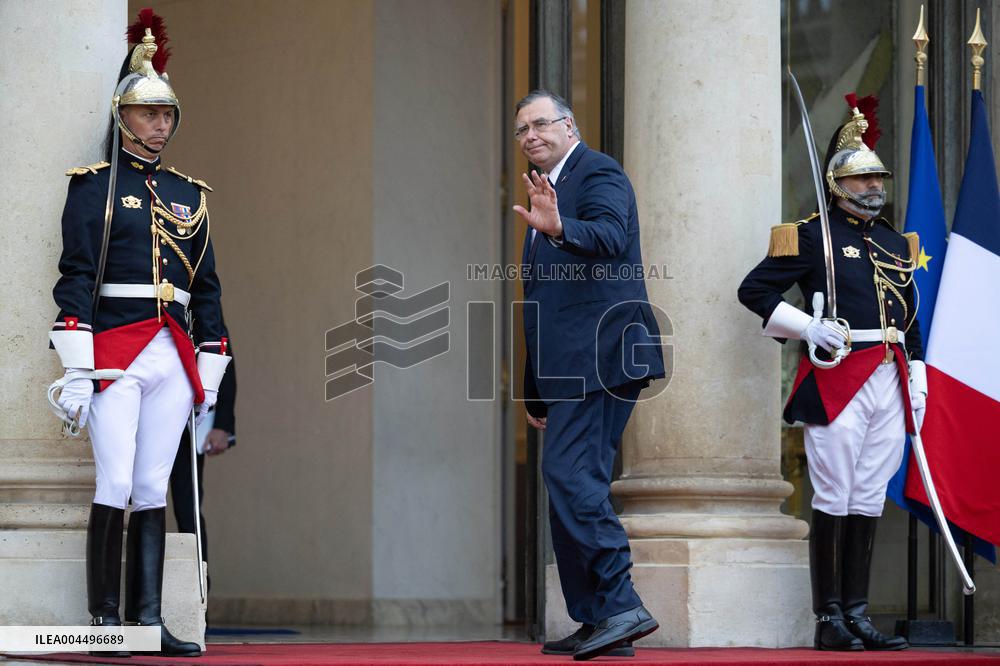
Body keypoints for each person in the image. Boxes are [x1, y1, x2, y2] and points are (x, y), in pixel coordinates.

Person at [50, 9, 230, 657]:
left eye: (166, 115)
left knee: (155, 487)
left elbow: (206, 293)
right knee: (116, 484)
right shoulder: (93, 190)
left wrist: (209, 378)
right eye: (149, 113)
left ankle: (148, 619)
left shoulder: (190, 193)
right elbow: (74, 279)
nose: (160, 124)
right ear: (123, 116)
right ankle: (104, 618)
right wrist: (75, 365)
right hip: (115, 352)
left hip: (173, 357)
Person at [737, 94, 918, 651]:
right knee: (835, 490)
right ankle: (828, 619)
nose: (872, 187)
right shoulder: (811, 234)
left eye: (877, 178)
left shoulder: (893, 240)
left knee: (868, 493)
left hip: (892, 374)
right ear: (837, 184)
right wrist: (807, 328)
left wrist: (922, 376)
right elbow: (754, 290)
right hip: (838, 372)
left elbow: (910, 314)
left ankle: (858, 613)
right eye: (861, 180)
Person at [513, 90, 665, 660]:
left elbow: (607, 236)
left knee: (569, 473)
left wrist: (558, 228)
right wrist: (535, 383)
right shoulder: (544, 192)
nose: (530, 135)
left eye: (540, 123)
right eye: (522, 129)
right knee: (572, 482)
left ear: (569, 126)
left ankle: (622, 603)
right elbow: (543, 300)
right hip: (567, 365)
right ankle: (600, 620)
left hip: (603, 353)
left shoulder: (598, 172)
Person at [170, 351, 237, 590]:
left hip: (189, 419)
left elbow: (221, 357)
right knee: (138, 504)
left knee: (188, 509)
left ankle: (200, 591)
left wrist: (223, 425)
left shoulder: (204, 310)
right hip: (146, 411)